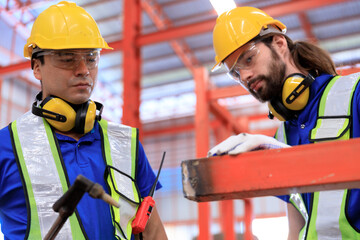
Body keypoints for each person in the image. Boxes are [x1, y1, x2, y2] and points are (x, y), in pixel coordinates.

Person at [0, 1, 167, 240]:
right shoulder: (6, 146)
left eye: (91, 58)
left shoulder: (126, 144)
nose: (83, 69)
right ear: (37, 66)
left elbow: (152, 231)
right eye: (67, 59)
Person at [208, 6, 360, 240]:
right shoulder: (284, 136)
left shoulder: (353, 93)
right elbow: (297, 227)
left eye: (249, 58)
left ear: (279, 43)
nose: (245, 77)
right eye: (236, 74)